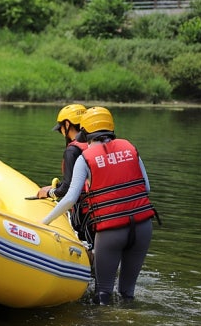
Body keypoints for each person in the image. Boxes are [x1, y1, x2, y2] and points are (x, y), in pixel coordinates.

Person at [41, 106, 157, 305]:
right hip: (142, 227)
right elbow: (146, 188)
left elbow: (69, 198)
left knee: (103, 294)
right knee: (127, 293)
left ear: (85, 131)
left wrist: (45, 221)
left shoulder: (84, 158)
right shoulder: (130, 148)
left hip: (111, 231)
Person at [36, 103, 91, 242]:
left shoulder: (72, 151)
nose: (60, 132)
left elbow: (68, 189)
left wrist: (49, 193)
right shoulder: (95, 144)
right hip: (100, 209)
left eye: (60, 127)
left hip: (85, 214)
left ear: (67, 124)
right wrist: (56, 187)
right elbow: (81, 181)